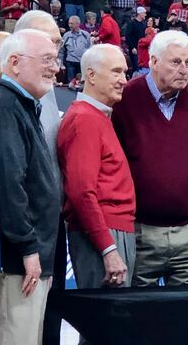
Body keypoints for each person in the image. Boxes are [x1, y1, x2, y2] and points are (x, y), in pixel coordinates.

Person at [112, 30, 188, 286]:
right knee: (139, 321)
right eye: (176, 62)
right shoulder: (125, 99)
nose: (184, 69)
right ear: (153, 61)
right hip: (140, 232)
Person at [0, 29, 61, 345]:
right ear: (14, 62)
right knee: (16, 337)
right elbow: (9, 184)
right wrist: (28, 248)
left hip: (31, 257)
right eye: (46, 60)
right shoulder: (4, 106)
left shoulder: (22, 105)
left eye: (55, 59)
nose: (55, 67)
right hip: (18, 261)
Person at [57, 44, 136, 299]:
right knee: (105, 326)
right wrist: (108, 248)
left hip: (111, 230)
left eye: (124, 72)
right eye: (115, 72)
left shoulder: (97, 116)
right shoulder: (85, 119)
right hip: (103, 234)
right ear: (91, 75)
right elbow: (81, 192)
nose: (123, 80)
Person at [60, 16, 91, 84]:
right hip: (70, 63)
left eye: (71, 23)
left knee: (82, 82)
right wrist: (61, 64)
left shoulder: (86, 35)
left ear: (78, 24)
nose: (69, 25)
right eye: (69, 23)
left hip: (82, 63)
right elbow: (61, 51)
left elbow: (90, 50)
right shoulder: (66, 35)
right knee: (70, 82)